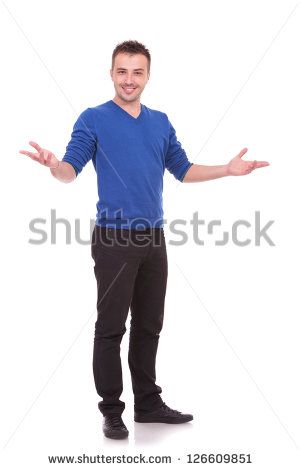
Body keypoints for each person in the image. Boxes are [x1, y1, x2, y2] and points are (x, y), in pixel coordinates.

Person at [19, 40, 270, 440]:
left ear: (147, 76)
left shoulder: (160, 122)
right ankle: (112, 410)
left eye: (137, 72)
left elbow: (183, 170)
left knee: (150, 324)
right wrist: (54, 167)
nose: (129, 79)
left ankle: (148, 403)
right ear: (112, 74)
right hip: (114, 239)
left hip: (154, 238)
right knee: (111, 327)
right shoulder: (93, 119)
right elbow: (71, 168)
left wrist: (227, 168)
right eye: (122, 71)